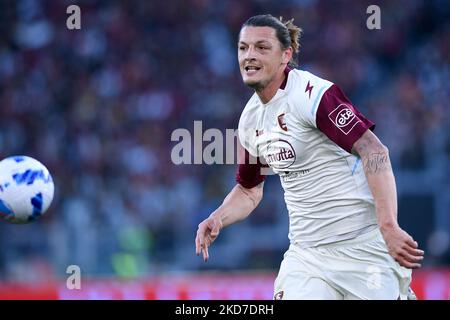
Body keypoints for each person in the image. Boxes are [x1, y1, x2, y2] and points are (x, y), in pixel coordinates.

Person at [195, 14, 424, 300]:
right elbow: (249, 190)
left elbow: (374, 151)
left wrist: (388, 225)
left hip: (363, 249)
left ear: (285, 55)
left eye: (262, 47)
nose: (249, 56)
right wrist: (218, 218)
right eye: (243, 48)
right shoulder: (250, 120)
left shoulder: (313, 95)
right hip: (307, 257)